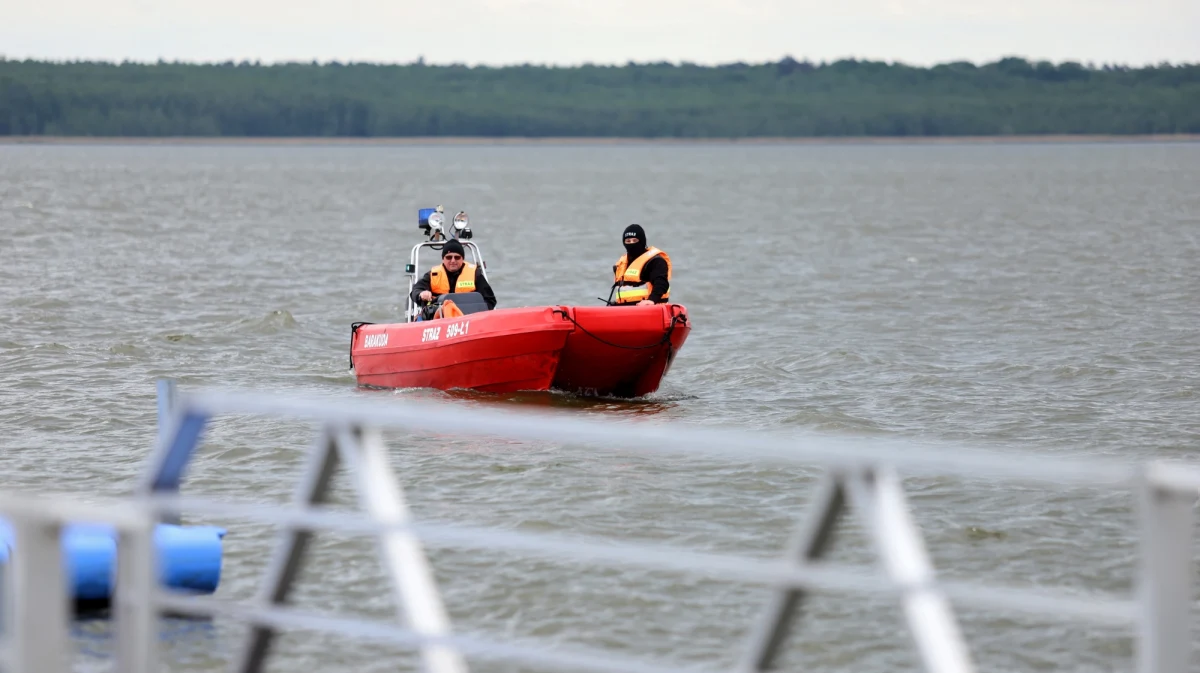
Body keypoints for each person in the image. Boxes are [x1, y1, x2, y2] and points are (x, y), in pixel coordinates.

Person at [411, 238, 497, 313]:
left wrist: (478, 313)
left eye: (457, 257)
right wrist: (421, 294)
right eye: (449, 257)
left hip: (469, 318)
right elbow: (415, 291)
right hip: (440, 319)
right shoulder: (433, 275)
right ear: (443, 259)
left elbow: (490, 300)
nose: (453, 260)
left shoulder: (475, 274)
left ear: (462, 259)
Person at [611, 224, 671, 305]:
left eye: (634, 240)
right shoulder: (622, 262)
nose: (631, 244)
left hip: (648, 308)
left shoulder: (655, 261)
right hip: (625, 309)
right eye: (628, 241)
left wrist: (651, 300)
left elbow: (661, 283)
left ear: (642, 241)